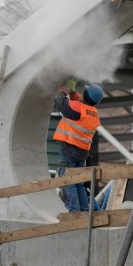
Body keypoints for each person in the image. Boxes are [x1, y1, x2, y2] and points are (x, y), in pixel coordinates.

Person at [53, 79, 104, 212]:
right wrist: (73, 92)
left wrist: (64, 89)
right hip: (81, 153)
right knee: (78, 182)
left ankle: (73, 211)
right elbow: (78, 105)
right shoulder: (93, 113)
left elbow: (61, 102)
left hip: (69, 148)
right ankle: (84, 210)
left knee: (68, 180)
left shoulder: (77, 109)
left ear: (86, 96)